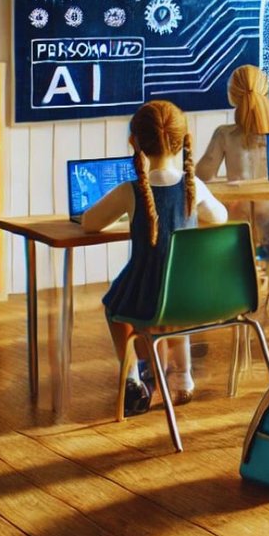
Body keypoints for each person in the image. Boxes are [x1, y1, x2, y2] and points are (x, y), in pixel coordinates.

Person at [84, 100, 227, 417]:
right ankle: (183, 376)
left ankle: (132, 377)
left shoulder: (130, 190)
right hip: (193, 297)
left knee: (114, 306)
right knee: (176, 295)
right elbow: (221, 216)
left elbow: (89, 223)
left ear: (134, 142)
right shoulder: (195, 187)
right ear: (182, 141)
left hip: (147, 299)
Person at [196, 65, 269, 247]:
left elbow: (201, 177)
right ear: (265, 89)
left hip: (236, 223)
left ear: (232, 96)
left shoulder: (224, 135)